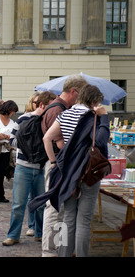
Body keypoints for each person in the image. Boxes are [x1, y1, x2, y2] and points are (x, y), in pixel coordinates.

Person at [31, 84, 109, 257]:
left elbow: (47, 138)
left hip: (67, 173)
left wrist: (53, 163)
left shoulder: (65, 114)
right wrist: (104, 118)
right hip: (88, 173)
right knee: (84, 221)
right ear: (94, 101)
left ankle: (64, 254)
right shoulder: (93, 117)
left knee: (67, 218)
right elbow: (101, 142)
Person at [40, 74, 88, 257]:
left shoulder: (58, 108)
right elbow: (59, 143)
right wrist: (54, 163)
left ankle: (60, 248)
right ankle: (51, 251)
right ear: (74, 92)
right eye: (81, 95)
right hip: (58, 165)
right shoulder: (58, 111)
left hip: (57, 165)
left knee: (59, 211)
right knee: (55, 210)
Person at [2, 91, 56, 246]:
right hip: (23, 167)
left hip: (41, 168)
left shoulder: (49, 121)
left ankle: (39, 233)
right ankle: (13, 235)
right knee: (18, 204)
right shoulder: (23, 119)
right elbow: (12, 141)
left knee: (40, 204)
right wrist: (29, 147)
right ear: (41, 104)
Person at [23, 92, 40, 237]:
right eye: (36, 102)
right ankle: (32, 225)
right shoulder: (24, 118)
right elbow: (14, 140)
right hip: (26, 162)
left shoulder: (45, 119)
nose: (39, 105)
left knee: (39, 198)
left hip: (40, 164)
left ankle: (39, 230)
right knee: (29, 198)